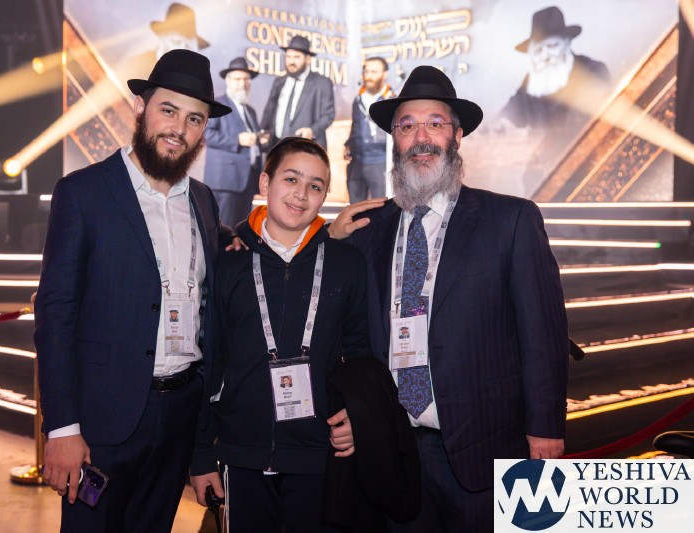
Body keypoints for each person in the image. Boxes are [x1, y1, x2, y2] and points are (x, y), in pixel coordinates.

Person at [329, 65, 569, 532]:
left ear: (457, 136)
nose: (421, 138)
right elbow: (350, 334)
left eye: (435, 124)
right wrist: (327, 239)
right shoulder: (368, 231)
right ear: (394, 140)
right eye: (407, 126)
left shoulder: (510, 220)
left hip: (484, 450)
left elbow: (542, 334)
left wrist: (545, 428)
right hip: (395, 452)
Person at [34, 49, 237, 532]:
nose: (179, 128)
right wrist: (62, 428)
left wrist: (201, 447)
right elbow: (56, 315)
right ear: (141, 107)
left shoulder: (203, 201)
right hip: (102, 424)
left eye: (194, 119)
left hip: (179, 416)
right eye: (168, 110)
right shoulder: (82, 192)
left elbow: (209, 313)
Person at [190, 137, 371, 532]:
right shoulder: (228, 263)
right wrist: (201, 455)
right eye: (291, 179)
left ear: (325, 196)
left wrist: (360, 414)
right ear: (264, 182)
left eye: (315, 186)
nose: (301, 194)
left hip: (319, 454)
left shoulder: (346, 263)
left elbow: (361, 352)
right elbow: (209, 360)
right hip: (242, 453)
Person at [500, 5, 609, 130]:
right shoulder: (529, 85)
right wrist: (504, 125)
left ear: (567, 43)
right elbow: (506, 117)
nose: (545, 56)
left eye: (552, 46)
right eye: (538, 51)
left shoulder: (593, 70)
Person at [203, 57, 265, 228]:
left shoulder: (250, 110)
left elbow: (251, 142)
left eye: (246, 80)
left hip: (247, 181)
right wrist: (237, 140)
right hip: (226, 180)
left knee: (239, 231)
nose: (242, 84)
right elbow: (206, 133)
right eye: (238, 79)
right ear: (228, 81)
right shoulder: (218, 104)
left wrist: (260, 140)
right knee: (224, 231)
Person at [260, 35, 336, 150]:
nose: (291, 61)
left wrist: (312, 130)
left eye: (296, 57)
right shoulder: (279, 82)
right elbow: (269, 111)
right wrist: (263, 132)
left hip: (306, 148)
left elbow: (328, 115)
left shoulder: (322, 83)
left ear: (308, 59)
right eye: (288, 57)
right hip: (277, 147)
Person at [344, 57, 396, 203]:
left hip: (380, 162)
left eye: (374, 72)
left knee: (381, 206)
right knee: (355, 208)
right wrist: (348, 144)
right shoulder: (358, 99)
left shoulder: (392, 101)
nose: (369, 76)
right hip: (357, 162)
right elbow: (355, 126)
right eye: (366, 72)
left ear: (384, 74)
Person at [123, 3, 209, 81]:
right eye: (176, 42)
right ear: (163, 37)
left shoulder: (192, 83)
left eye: (188, 46)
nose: (182, 50)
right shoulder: (134, 67)